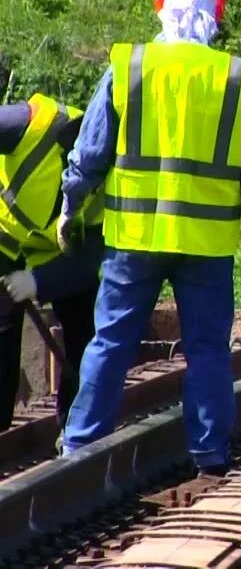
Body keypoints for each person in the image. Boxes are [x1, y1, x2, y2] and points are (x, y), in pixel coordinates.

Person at [58, 0, 241, 476]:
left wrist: (71, 205)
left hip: (133, 239)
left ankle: (78, 450)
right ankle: (209, 456)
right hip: (205, 243)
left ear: (162, 8)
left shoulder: (130, 66)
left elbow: (91, 153)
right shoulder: (235, 78)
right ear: (214, 18)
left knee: (111, 342)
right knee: (207, 350)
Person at [0, 95, 103, 431]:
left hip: (61, 256)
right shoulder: (33, 125)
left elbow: (93, 260)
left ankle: (74, 429)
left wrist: (38, 281)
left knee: (83, 329)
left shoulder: (113, 182)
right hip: (4, 234)